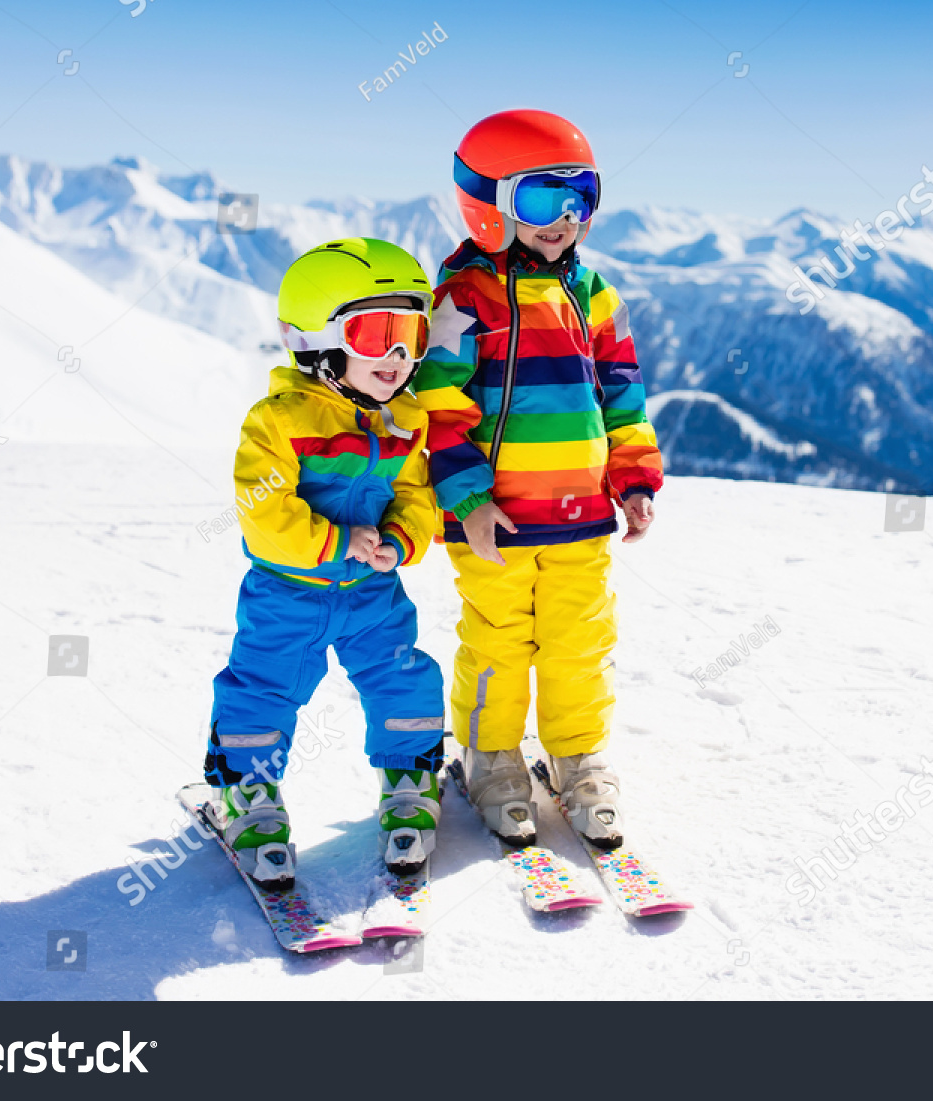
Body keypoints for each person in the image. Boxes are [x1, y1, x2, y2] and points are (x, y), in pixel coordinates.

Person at [417, 109, 664, 850]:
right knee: (497, 641)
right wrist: (466, 497)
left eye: (577, 197)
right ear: (489, 204)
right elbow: (440, 402)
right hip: (494, 518)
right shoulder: (466, 296)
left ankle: (577, 756)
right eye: (537, 200)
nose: (562, 219)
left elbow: (622, 394)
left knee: (578, 641)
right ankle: (491, 761)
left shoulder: (594, 294)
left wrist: (634, 479)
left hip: (581, 516)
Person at [203, 238, 446, 887]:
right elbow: (264, 512)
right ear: (316, 340)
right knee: (262, 689)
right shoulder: (278, 422)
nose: (397, 357)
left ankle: (410, 779)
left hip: (373, 593)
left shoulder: (404, 422)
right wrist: (339, 541)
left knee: (404, 677)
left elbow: (418, 496)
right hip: (288, 593)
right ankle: (247, 798)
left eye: (411, 335)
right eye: (377, 333)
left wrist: (400, 538)